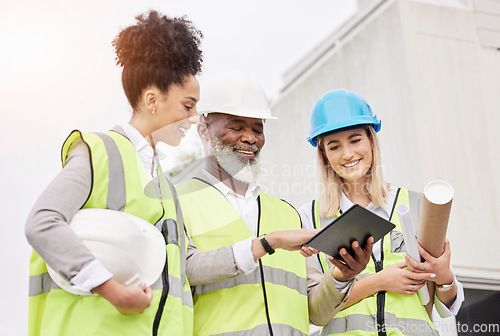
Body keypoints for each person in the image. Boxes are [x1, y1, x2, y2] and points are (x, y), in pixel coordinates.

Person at [25, 10, 203, 335]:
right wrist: (112, 290)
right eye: (188, 106)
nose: (194, 119)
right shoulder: (100, 152)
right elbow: (42, 222)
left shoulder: (166, 186)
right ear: (152, 99)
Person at [175, 71, 374, 336]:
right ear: (203, 130)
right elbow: (182, 271)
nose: (250, 138)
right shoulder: (176, 200)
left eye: (258, 129)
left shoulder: (287, 214)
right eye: (236, 127)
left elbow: (316, 312)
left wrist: (342, 276)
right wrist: (268, 243)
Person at [299, 89, 465, 335]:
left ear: (371, 140)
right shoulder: (309, 218)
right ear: (324, 154)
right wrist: (378, 282)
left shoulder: (417, 204)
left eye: (355, 140)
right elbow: (315, 311)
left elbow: (446, 307)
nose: (347, 154)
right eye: (334, 146)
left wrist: (444, 276)